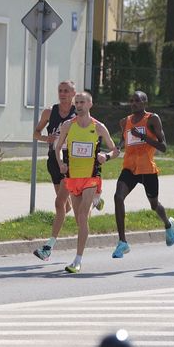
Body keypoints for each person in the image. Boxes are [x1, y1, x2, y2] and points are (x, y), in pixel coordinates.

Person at [32, 81, 104, 261]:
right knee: (65, 206)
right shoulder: (50, 112)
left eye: (66, 91)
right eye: (60, 91)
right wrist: (46, 138)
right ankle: (92, 201)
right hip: (54, 161)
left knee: (59, 203)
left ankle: (49, 247)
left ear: (73, 94)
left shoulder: (78, 112)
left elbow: (92, 134)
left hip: (72, 163)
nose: (62, 94)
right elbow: (35, 133)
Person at [54, 91, 117, 273]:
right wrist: (60, 162)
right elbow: (58, 148)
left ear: (90, 104)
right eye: (77, 102)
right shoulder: (68, 125)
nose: (79, 105)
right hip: (73, 176)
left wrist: (106, 156)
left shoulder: (98, 127)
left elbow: (115, 150)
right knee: (79, 220)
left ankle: (78, 260)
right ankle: (97, 201)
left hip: (91, 176)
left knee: (82, 216)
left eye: (83, 102)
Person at [112, 91, 174, 259]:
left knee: (154, 205)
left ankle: (168, 224)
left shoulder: (152, 119)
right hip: (129, 168)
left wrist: (143, 136)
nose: (133, 103)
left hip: (147, 169)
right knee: (118, 197)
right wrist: (118, 147)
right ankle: (122, 242)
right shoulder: (124, 121)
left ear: (145, 103)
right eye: (131, 100)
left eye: (137, 101)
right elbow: (124, 138)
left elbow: (163, 147)